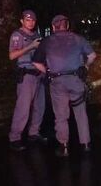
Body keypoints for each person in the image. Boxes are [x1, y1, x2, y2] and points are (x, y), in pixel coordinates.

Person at [32, 14, 96, 157]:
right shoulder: (78, 39)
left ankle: (64, 146)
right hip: (76, 80)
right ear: (67, 26)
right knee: (80, 112)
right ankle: (85, 144)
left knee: (61, 115)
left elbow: (36, 62)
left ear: (54, 27)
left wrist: (48, 72)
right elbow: (92, 55)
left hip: (57, 82)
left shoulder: (47, 42)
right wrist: (85, 67)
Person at [7, 9, 46, 152]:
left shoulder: (36, 35)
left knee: (39, 106)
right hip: (26, 76)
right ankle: (15, 138)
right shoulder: (17, 35)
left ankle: (34, 133)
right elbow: (12, 56)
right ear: (22, 21)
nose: (31, 22)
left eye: (33, 20)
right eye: (28, 20)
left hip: (39, 74)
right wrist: (30, 46)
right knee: (23, 109)